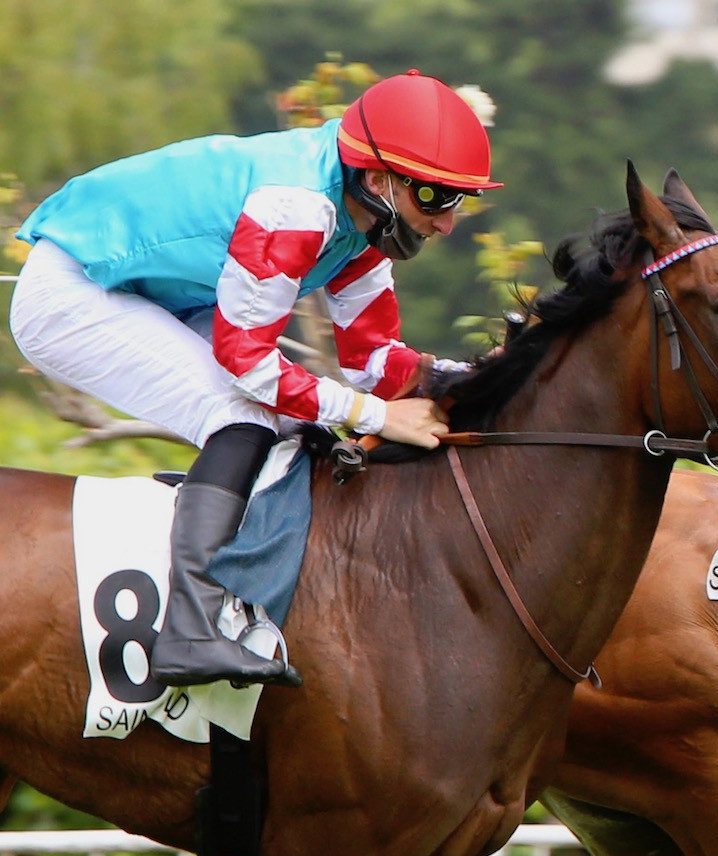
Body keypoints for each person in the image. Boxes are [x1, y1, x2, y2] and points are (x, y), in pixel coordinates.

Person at [9, 70, 500, 688]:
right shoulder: (296, 205)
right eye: (434, 198)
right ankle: (188, 630)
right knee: (244, 414)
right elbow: (250, 366)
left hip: (156, 293)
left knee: (290, 415)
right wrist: (375, 416)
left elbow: (373, 360)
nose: (449, 222)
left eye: (457, 199)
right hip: (74, 291)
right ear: (379, 179)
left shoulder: (366, 223)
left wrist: (485, 377)